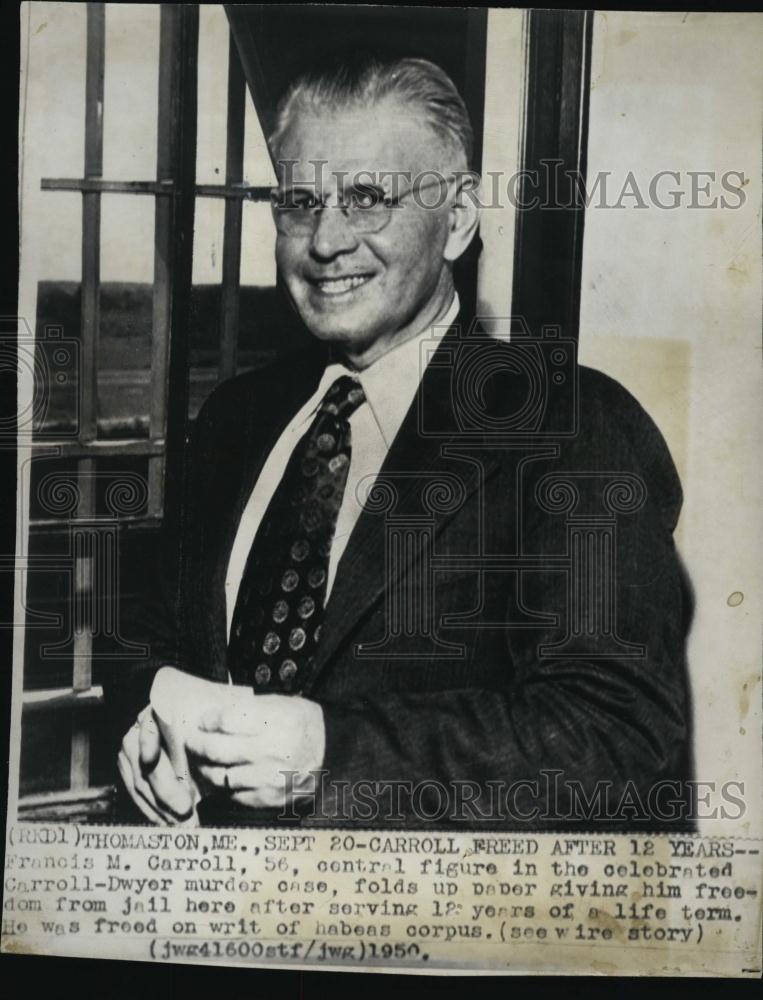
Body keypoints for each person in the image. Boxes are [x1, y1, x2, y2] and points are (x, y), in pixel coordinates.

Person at [108, 56, 693, 830]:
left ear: (455, 221)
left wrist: (330, 759)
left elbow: (617, 739)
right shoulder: (233, 421)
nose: (324, 241)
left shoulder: (570, 428)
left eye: (365, 198)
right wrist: (149, 726)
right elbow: (148, 639)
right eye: (299, 201)